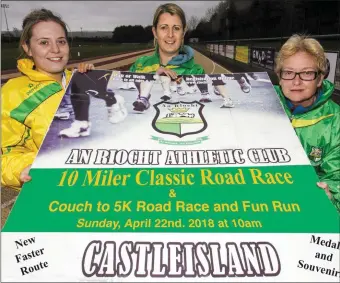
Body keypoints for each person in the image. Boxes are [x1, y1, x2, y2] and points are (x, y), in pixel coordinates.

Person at [1, 9, 92, 190]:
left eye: (61, 41)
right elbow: (6, 155)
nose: (56, 50)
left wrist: (101, 79)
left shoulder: (84, 79)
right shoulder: (12, 93)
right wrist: (26, 167)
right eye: (44, 42)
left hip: (99, 186)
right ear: (27, 48)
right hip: (51, 192)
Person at [274, 34, 340, 211]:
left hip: (304, 212)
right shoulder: (260, 102)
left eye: (306, 73)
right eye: (288, 73)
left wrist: (331, 197)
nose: (296, 81)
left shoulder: (335, 122)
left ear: (320, 79)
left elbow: (337, 179)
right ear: (279, 77)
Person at [129, 3, 234, 112]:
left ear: (183, 32)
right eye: (164, 27)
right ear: (155, 32)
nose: (170, 34)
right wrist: (156, 72)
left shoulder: (196, 71)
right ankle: (143, 99)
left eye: (176, 28)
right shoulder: (139, 64)